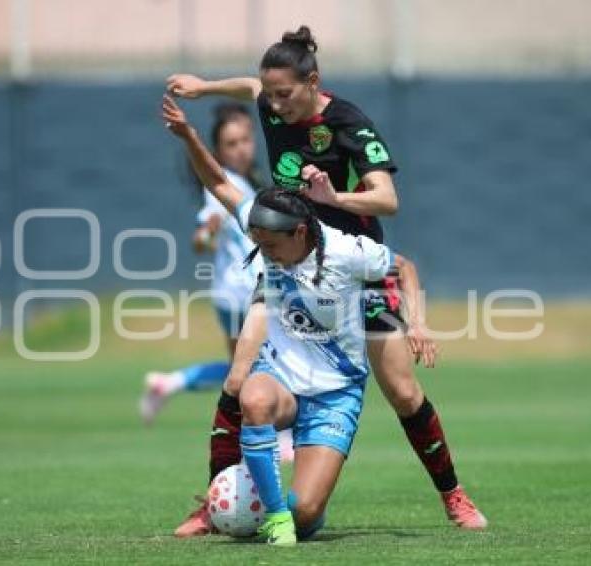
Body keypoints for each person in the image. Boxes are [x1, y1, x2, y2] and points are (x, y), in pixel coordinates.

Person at [166, 25, 486, 532]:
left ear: (312, 82)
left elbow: (388, 200)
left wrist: (336, 202)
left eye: (284, 94)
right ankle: (214, 504)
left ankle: (454, 496)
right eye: (268, 94)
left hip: (353, 267)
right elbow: (250, 90)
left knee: (402, 392)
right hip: (285, 258)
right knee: (237, 378)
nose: (273, 105)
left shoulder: (349, 124)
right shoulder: (271, 100)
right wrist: (203, 88)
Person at [164, 94, 401, 545]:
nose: (263, 252)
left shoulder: (345, 251)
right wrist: (189, 136)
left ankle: (292, 514)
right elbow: (216, 181)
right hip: (284, 378)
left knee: (307, 513)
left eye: (271, 245)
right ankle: (264, 514)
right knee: (244, 390)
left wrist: (419, 325)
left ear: (299, 233)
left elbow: (401, 267)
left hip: (335, 392)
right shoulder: (266, 226)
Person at [139, 104, 296, 468]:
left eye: (245, 139)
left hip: (229, 293)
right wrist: (206, 231)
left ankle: (171, 383)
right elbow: (207, 226)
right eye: (231, 143)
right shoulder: (223, 185)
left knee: (238, 370)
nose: (241, 148)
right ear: (218, 152)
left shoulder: (248, 180)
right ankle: (284, 438)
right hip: (248, 293)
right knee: (277, 363)